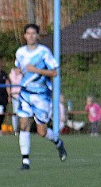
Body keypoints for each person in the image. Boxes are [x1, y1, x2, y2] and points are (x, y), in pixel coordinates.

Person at [15, 23, 67, 170]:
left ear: (37, 35)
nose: (30, 36)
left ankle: (58, 142)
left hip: (41, 95)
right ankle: (25, 161)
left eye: (33, 33)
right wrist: (20, 71)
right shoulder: (20, 52)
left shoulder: (44, 52)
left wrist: (36, 70)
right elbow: (20, 67)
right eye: (28, 33)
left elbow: (54, 72)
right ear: (24, 36)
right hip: (25, 93)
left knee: (41, 131)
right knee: (23, 125)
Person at [8, 66, 22, 134]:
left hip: (22, 96)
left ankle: (23, 129)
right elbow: (14, 82)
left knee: (23, 113)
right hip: (14, 96)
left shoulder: (23, 74)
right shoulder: (12, 74)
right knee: (15, 112)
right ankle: (15, 129)